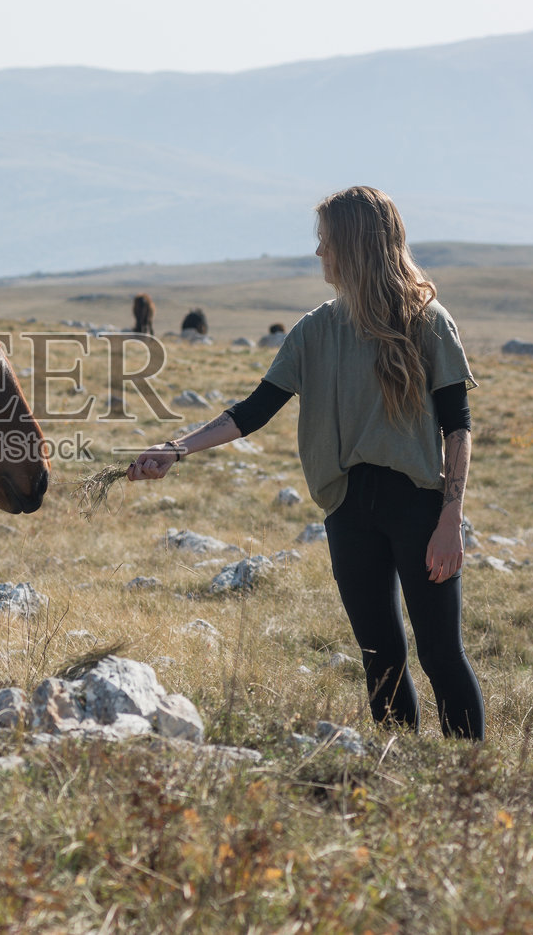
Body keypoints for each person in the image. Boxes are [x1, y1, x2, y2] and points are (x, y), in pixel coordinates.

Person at [129, 186, 485, 739]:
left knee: (440, 654)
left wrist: (450, 519)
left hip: (419, 508)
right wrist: (175, 450)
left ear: (355, 245)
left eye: (326, 241)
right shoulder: (314, 330)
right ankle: (399, 770)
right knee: (380, 658)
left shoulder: (428, 321)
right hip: (348, 510)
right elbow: (253, 411)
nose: (319, 252)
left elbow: (457, 427)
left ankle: (470, 775)